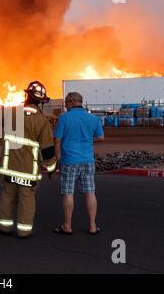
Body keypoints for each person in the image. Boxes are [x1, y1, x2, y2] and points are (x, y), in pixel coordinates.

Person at [0, 81, 58, 239]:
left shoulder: (11, 114)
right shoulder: (42, 122)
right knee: (27, 198)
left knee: (7, 196)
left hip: (9, 166)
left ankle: (4, 228)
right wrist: (52, 169)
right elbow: (48, 150)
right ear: (41, 102)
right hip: (28, 170)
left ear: (26, 96)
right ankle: (24, 231)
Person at [53, 92, 104, 235]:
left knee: (68, 193)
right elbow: (100, 137)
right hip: (87, 161)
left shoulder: (64, 118)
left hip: (69, 161)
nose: (65, 105)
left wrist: (58, 159)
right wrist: (87, 140)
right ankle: (93, 226)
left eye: (65, 103)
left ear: (71, 102)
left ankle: (67, 226)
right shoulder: (93, 118)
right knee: (90, 193)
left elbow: (57, 140)